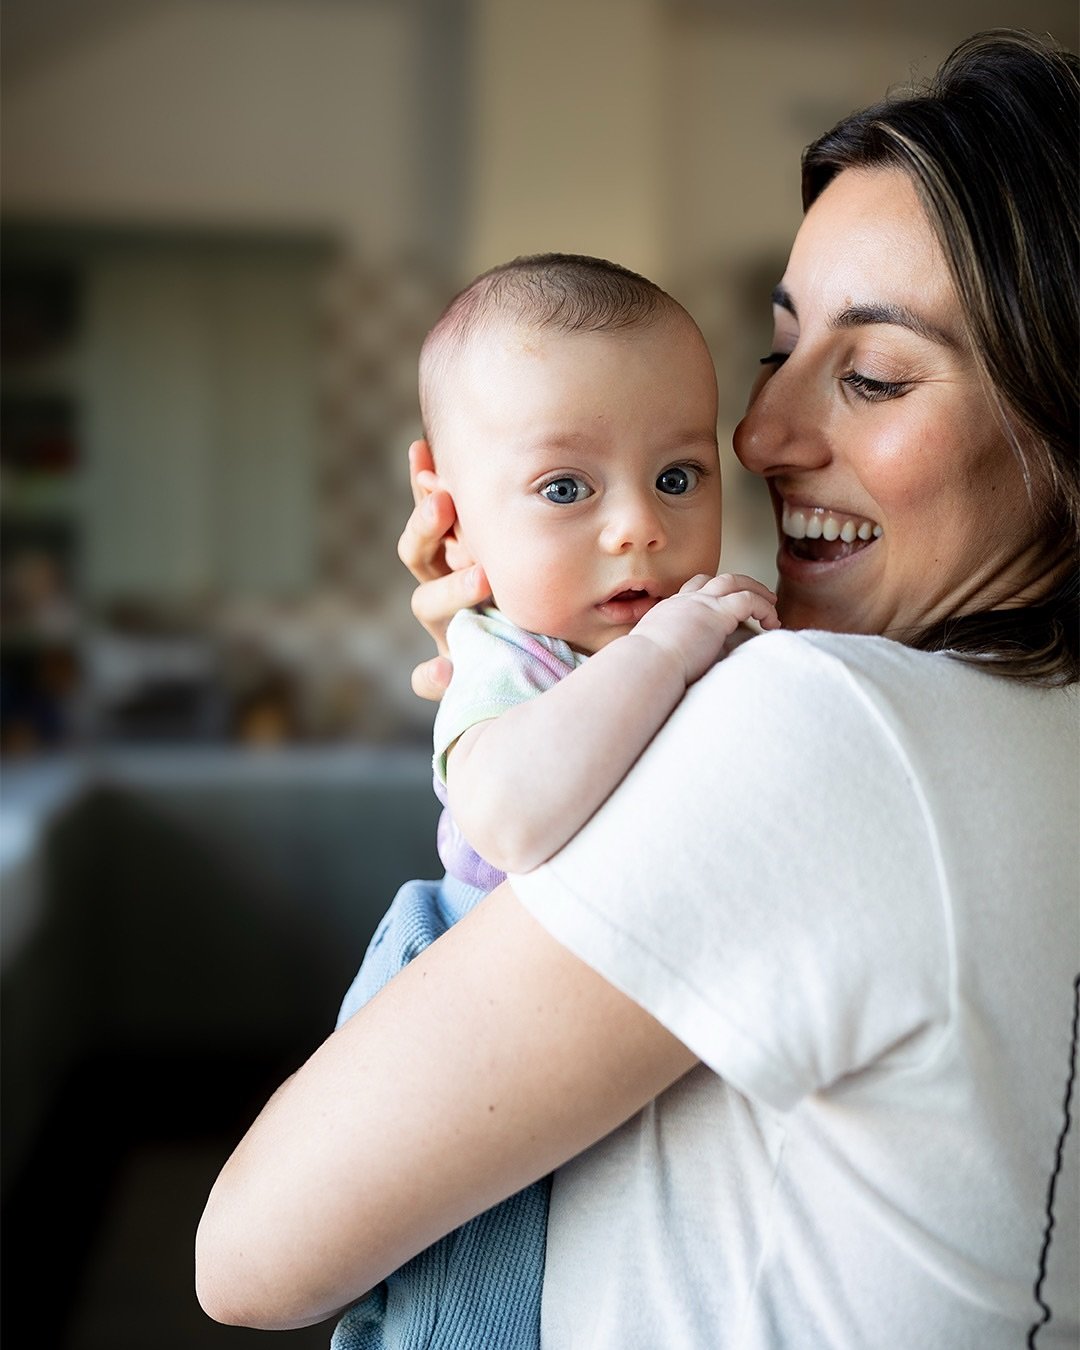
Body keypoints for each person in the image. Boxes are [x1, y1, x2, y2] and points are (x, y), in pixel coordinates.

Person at [196, 28, 1079, 1349]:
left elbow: (249, 1253)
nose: (758, 435)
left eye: (877, 373)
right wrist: (553, 649)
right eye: (778, 349)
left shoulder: (827, 720)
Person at [329, 254, 778, 1349]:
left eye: (680, 476)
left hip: (579, 990)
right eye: (566, 488)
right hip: (461, 976)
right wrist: (674, 644)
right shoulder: (502, 655)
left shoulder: (676, 636)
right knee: (459, 1301)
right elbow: (514, 818)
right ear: (450, 516)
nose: (638, 527)